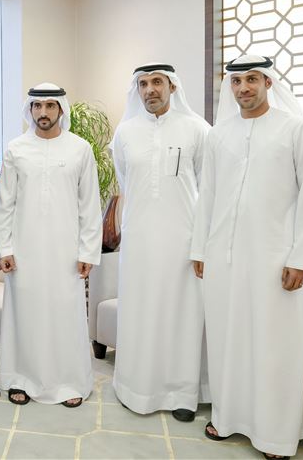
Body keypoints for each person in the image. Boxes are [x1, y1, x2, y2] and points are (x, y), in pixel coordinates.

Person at [190, 54, 303, 459]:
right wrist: (200, 248)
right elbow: (207, 195)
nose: (243, 88)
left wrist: (301, 257)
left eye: (252, 79)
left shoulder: (296, 129)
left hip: (275, 258)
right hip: (223, 256)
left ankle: (275, 435)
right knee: (228, 339)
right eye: (236, 81)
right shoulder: (219, 134)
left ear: (268, 83)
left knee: (274, 345)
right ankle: (229, 418)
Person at [110, 63, 210, 422]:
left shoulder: (198, 129)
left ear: (172, 86)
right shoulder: (125, 132)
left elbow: (207, 189)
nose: (150, 89)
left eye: (157, 82)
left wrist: (201, 244)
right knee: (139, 312)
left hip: (182, 240)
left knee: (182, 315)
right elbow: (127, 180)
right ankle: (135, 388)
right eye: (143, 84)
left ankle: (183, 393)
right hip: (138, 241)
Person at [0, 82, 102, 407]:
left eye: (50, 106)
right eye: (37, 106)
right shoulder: (16, 148)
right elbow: (5, 204)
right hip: (24, 251)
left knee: (64, 315)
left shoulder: (80, 148)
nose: (43, 112)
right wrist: (5, 248)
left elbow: (89, 205)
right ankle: (21, 380)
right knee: (25, 315)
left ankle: (69, 383)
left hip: (65, 252)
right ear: (30, 110)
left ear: (61, 109)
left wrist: (87, 251)